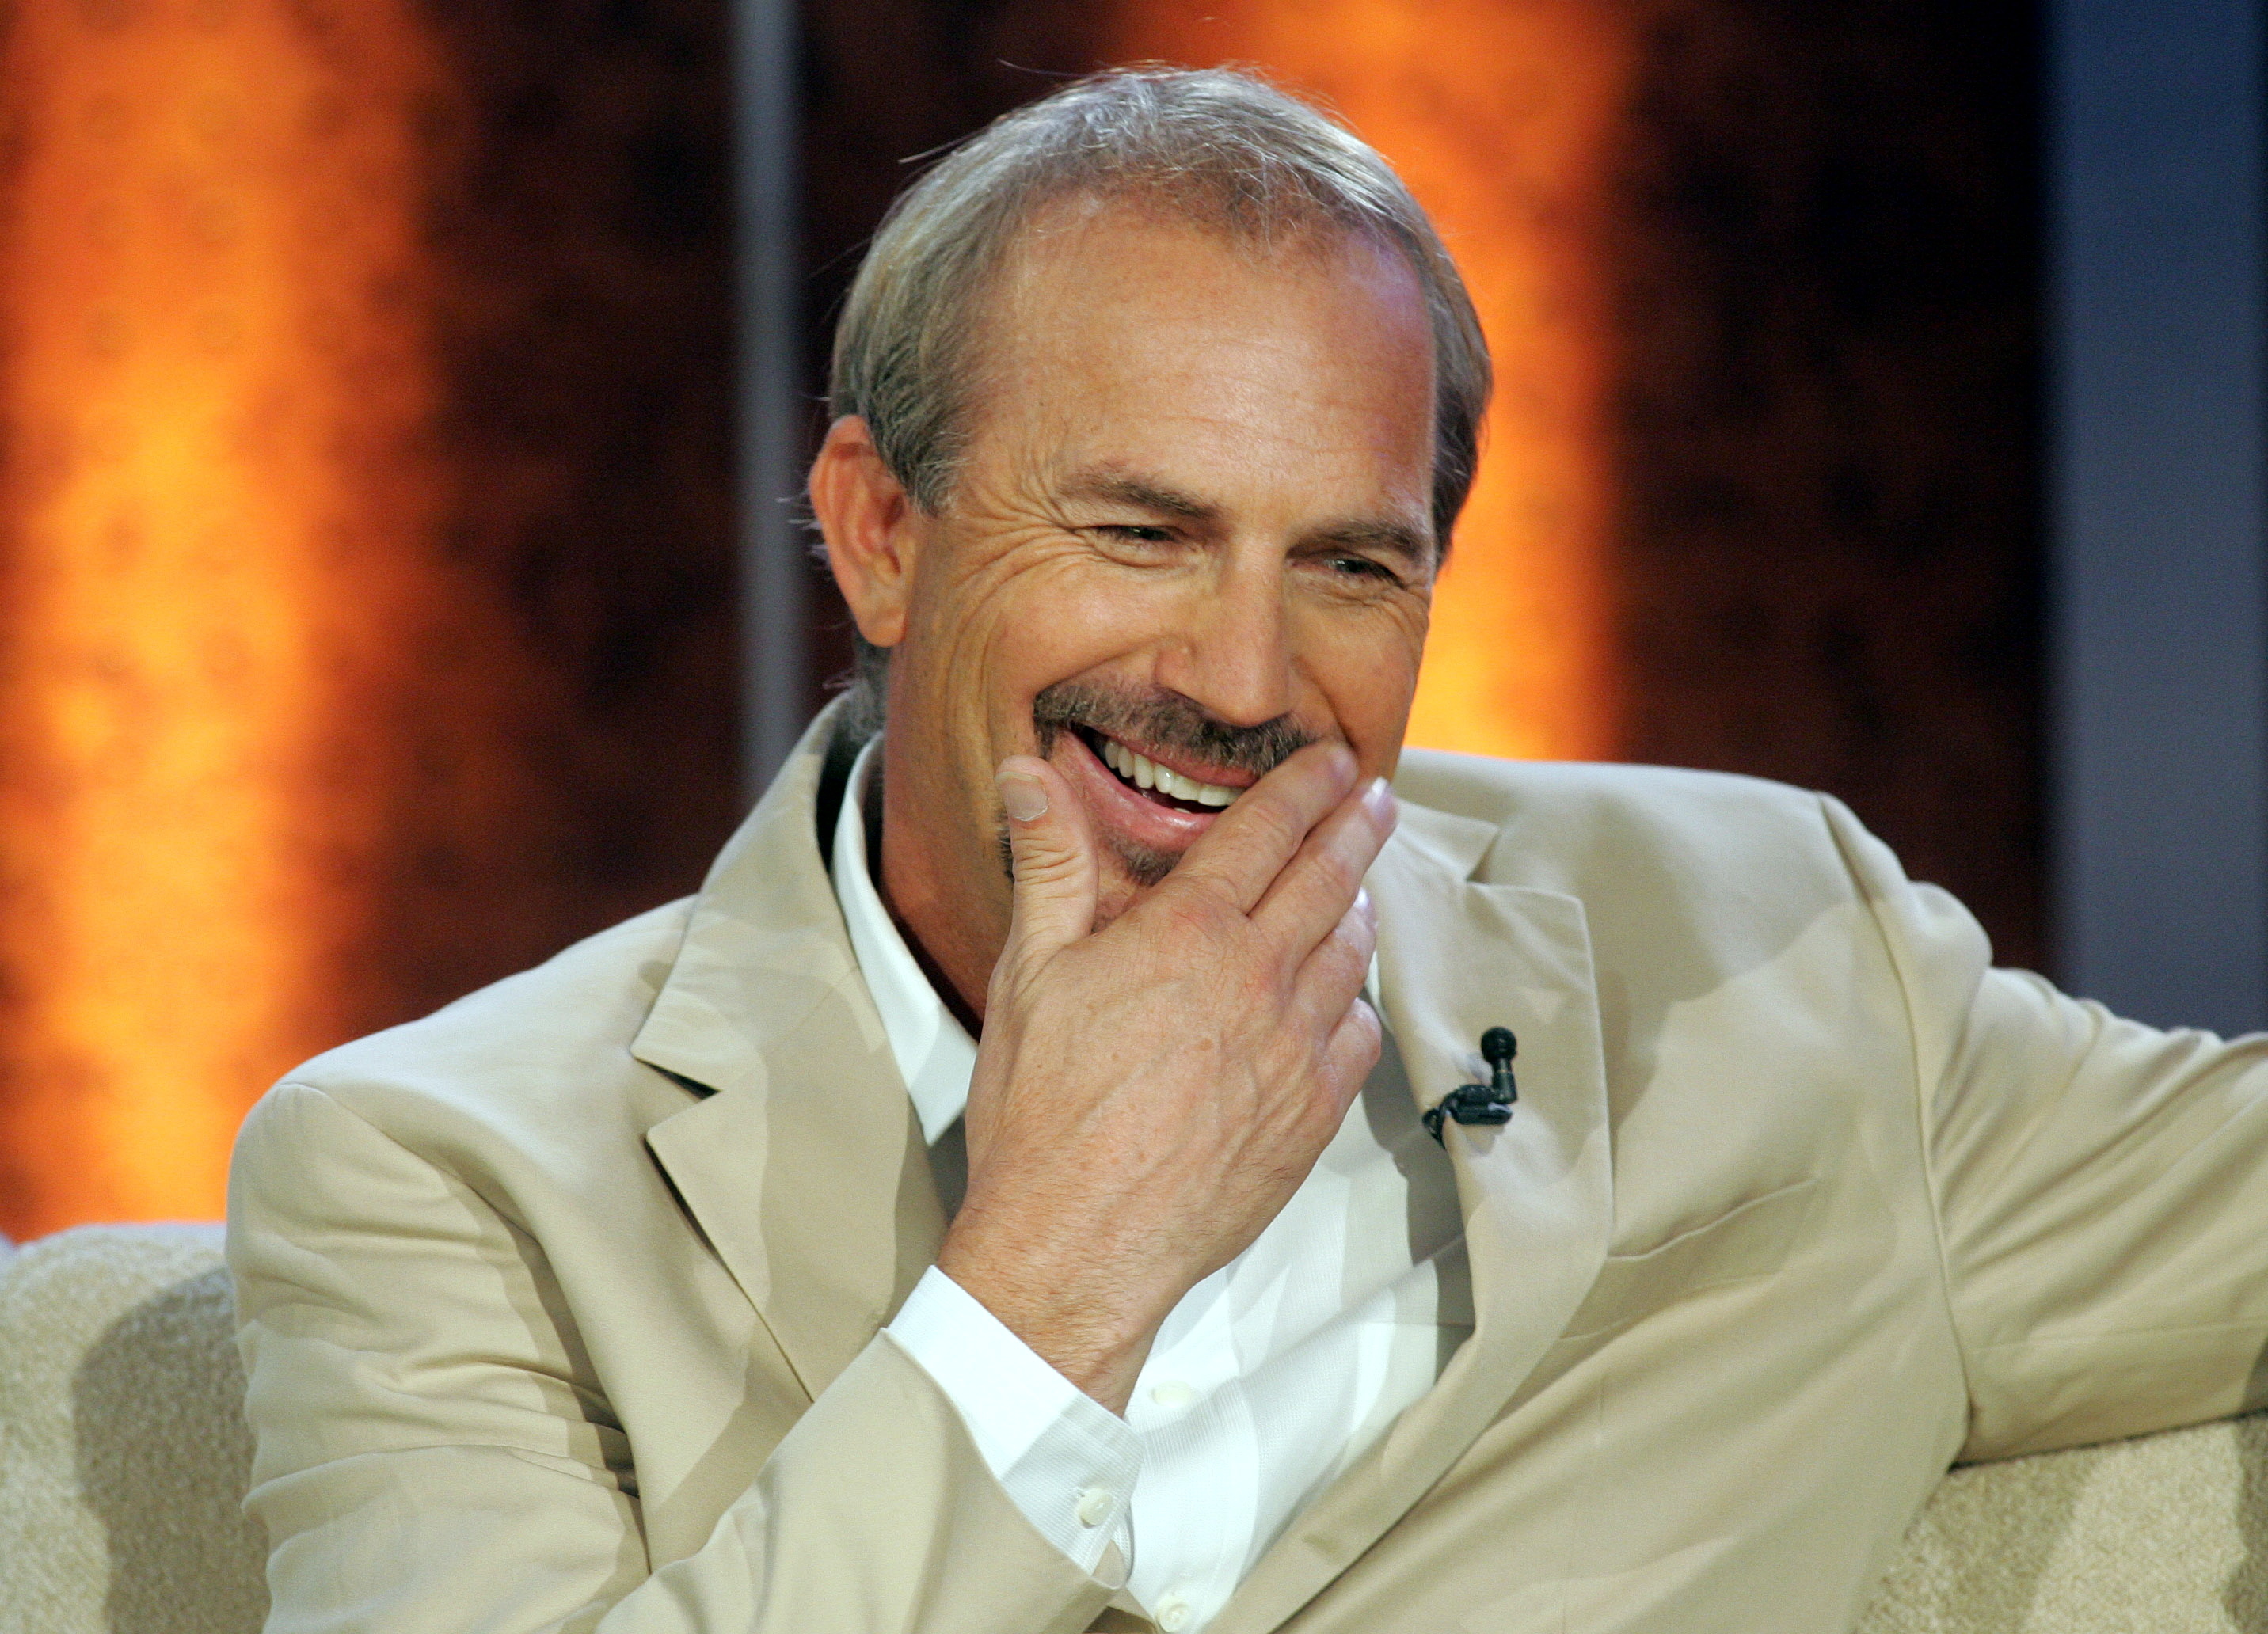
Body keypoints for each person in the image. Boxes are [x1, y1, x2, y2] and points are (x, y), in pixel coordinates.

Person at [225, 67, 2268, 1634]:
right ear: (880, 532)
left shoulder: (1775, 963)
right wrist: (1055, 1276)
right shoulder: (447, 1181)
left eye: (1351, 567)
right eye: (1143, 532)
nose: (1239, 675)